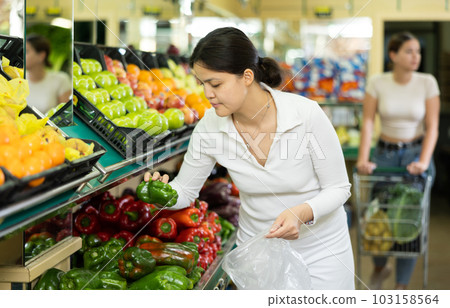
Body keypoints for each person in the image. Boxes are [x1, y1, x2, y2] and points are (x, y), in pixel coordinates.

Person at [146, 27, 354, 290]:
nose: (207, 94)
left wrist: (301, 213)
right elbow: (186, 190)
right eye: (202, 84)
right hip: (259, 255)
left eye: (216, 84)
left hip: (321, 254)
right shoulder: (211, 126)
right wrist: (161, 192)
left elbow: (338, 188)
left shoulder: (305, 115)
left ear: (247, 76)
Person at [356, 31, 440, 290]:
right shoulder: (378, 82)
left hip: (415, 154)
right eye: (409, 51)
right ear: (393, 55)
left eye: (418, 51)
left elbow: (432, 125)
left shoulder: (427, 82)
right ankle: (381, 267)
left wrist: (424, 162)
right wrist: (363, 158)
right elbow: (368, 122)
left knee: (408, 220)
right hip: (384, 155)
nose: (416, 56)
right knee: (379, 216)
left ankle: (401, 287)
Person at [25, 34, 72, 114]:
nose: (22, 55)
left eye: (26, 51)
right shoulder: (18, 79)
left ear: (41, 56)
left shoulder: (61, 79)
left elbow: (66, 115)